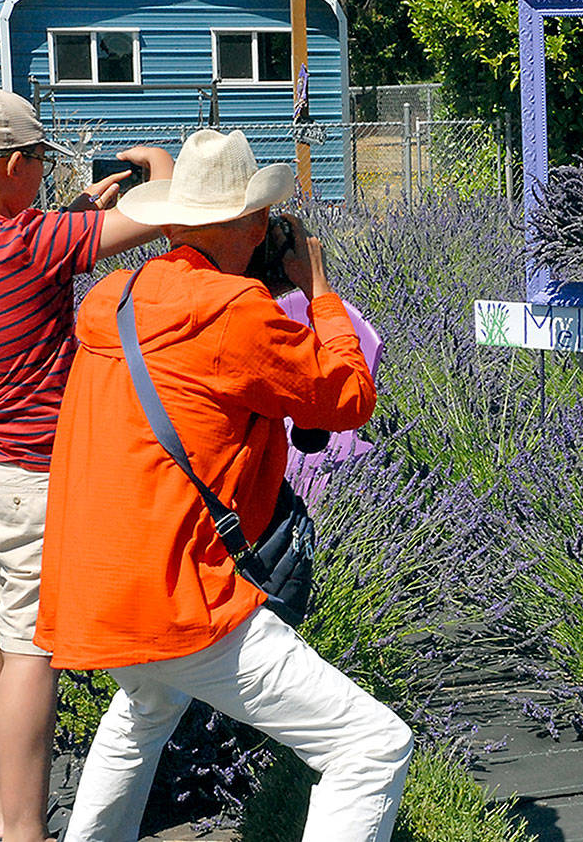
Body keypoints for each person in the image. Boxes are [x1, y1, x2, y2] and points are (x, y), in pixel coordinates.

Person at [33, 129, 413, 842]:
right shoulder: (236, 311)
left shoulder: (114, 297)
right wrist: (319, 291)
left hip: (92, 576)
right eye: (264, 218)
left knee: (144, 712)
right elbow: (346, 398)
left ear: (173, 221)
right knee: (370, 747)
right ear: (250, 223)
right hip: (176, 587)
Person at [0, 86, 174, 842]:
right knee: (34, 650)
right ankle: (25, 829)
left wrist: (75, 216)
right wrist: (155, 163)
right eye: (37, 166)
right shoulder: (34, 241)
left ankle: (1, 816)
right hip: (36, 475)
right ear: (14, 164)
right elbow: (161, 213)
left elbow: (38, 244)